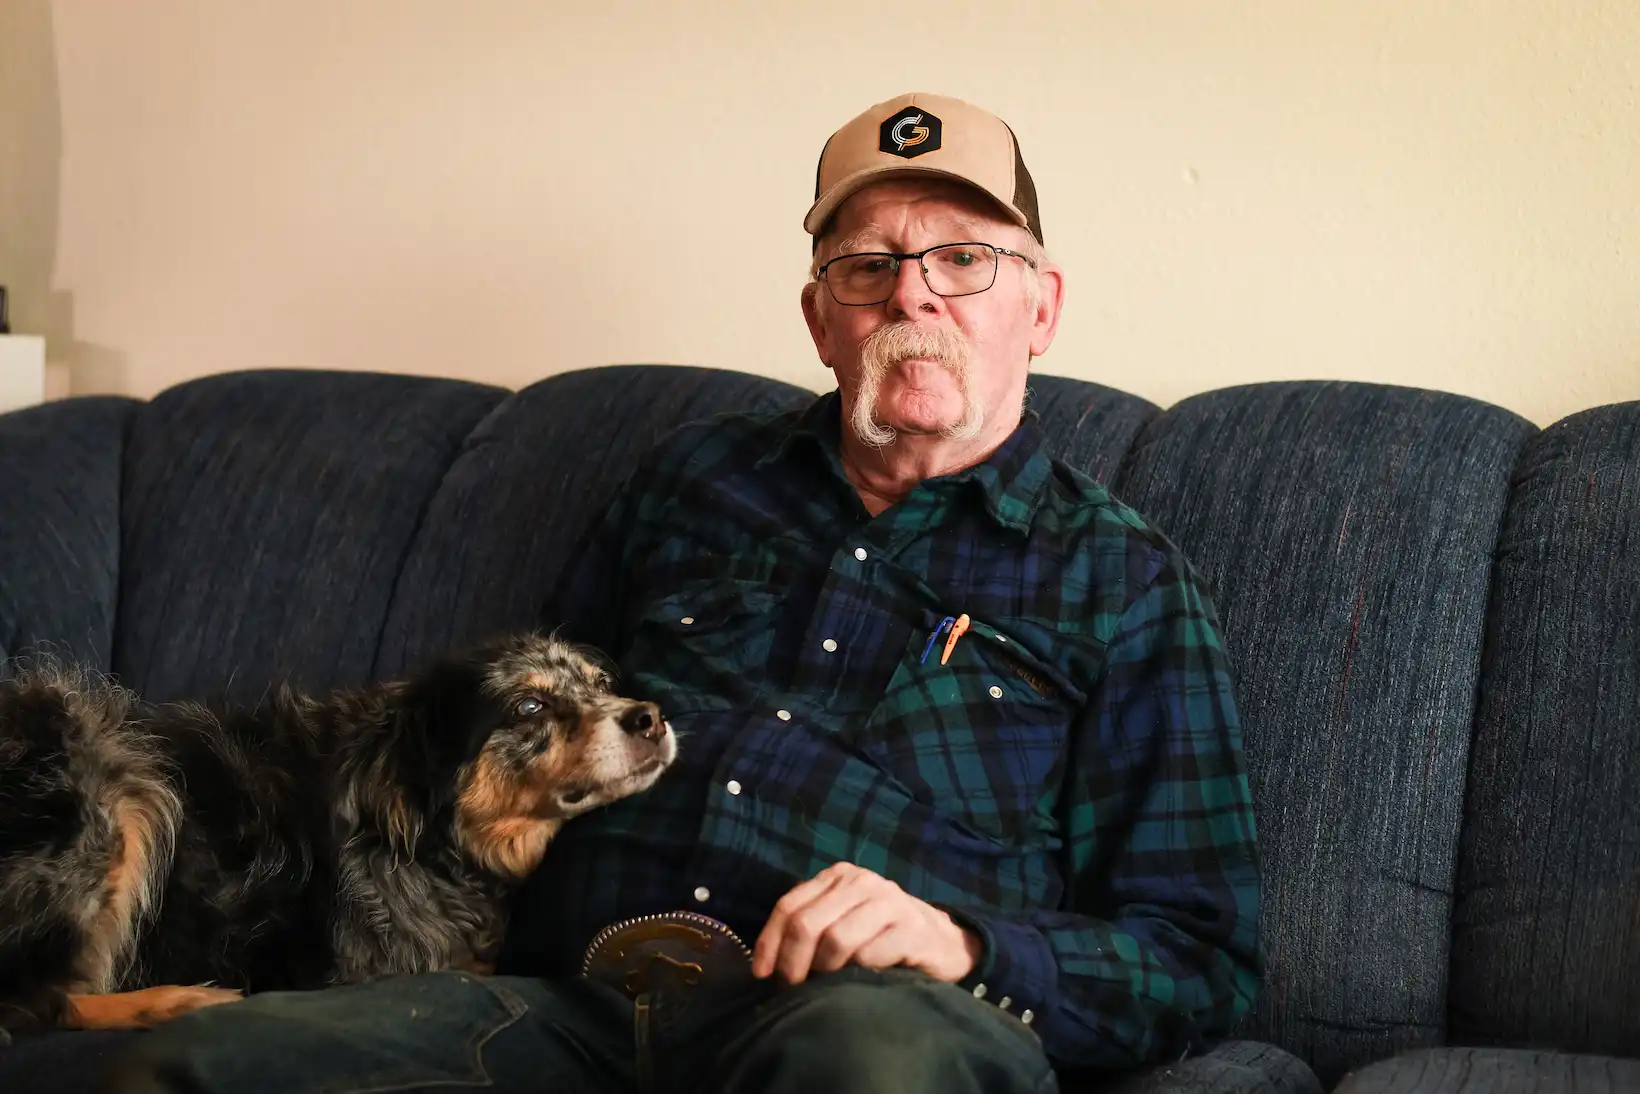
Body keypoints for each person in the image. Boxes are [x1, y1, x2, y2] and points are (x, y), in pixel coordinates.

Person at [103, 92, 1261, 1094]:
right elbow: (526, 732)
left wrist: (961, 940)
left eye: (963, 258)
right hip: (569, 1005)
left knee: (864, 1069)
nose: (913, 297)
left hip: (865, 1018)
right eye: (867, 265)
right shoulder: (693, 482)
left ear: (1040, 307)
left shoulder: (1119, 580)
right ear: (820, 318)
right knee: (188, 1065)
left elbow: (1198, 955)